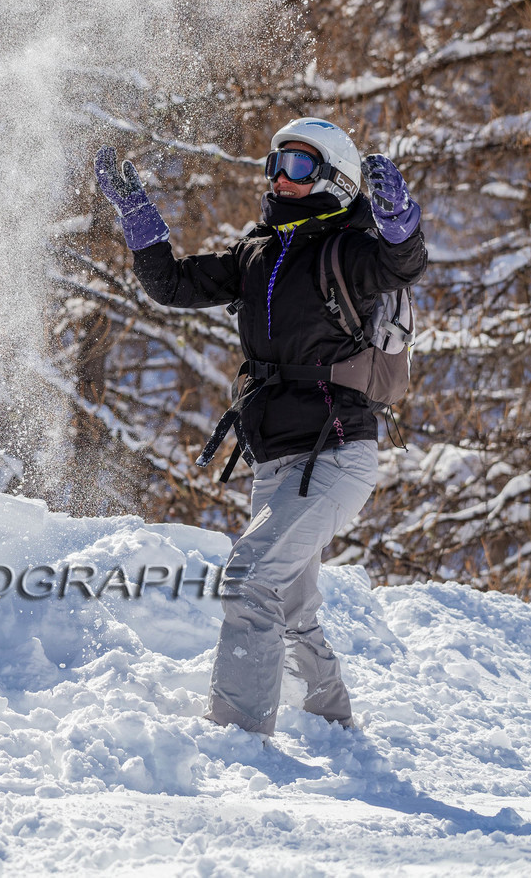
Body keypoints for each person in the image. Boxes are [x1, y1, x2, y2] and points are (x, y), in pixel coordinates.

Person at [95, 117, 427, 736]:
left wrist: (399, 216)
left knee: (250, 577)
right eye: (275, 164)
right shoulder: (257, 254)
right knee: (291, 601)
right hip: (276, 459)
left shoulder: (349, 251)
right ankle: (332, 721)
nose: (280, 177)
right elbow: (170, 284)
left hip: (334, 451)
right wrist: (138, 216)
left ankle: (238, 732)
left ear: (334, 174)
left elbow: (402, 264)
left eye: (298, 165)